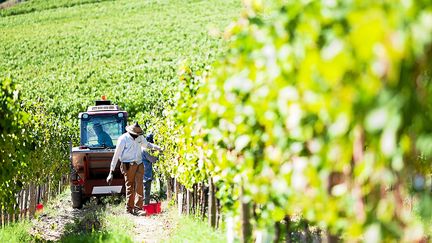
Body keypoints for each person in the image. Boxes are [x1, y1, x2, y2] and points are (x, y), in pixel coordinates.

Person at [106, 122, 162, 216]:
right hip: (127, 165)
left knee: (139, 185)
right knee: (130, 187)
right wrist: (111, 172)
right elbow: (116, 156)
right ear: (130, 132)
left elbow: (147, 145)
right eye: (135, 135)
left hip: (139, 164)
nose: (137, 137)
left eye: (138, 135)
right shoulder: (123, 139)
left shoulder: (140, 137)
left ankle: (138, 208)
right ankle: (129, 209)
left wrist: (158, 148)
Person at [142, 133, 158, 205]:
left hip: (142, 172)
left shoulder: (141, 148)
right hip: (146, 174)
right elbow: (153, 160)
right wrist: (157, 155)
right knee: (146, 191)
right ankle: (146, 206)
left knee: (142, 191)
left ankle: (141, 206)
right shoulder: (146, 150)